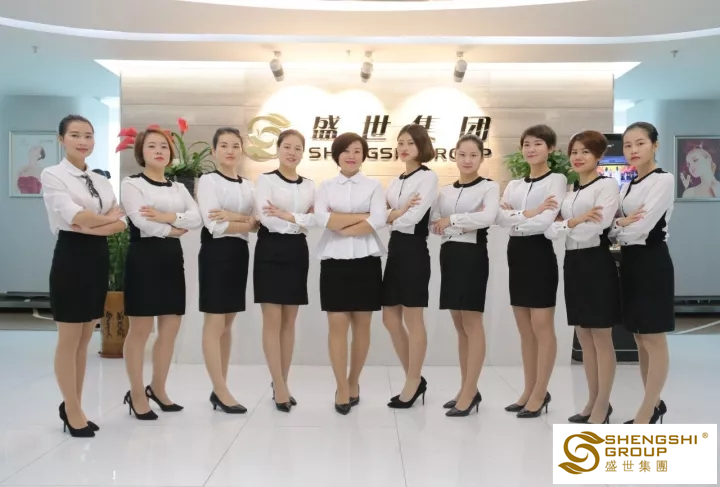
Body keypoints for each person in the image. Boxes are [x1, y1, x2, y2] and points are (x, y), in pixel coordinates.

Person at [41, 114, 127, 437]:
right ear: (61, 139)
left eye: (88, 135)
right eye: (75, 135)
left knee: (85, 338)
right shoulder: (53, 175)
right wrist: (98, 220)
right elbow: (76, 217)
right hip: (71, 257)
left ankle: (73, 405)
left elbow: (120, 222)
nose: (82, 141)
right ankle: (72, 409)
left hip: (96, 258)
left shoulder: (100, 180)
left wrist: (92, 224)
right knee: (69, 337)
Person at [120, 127, 202, 420]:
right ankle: (136, 393)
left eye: (164, 146)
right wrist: (174, 229)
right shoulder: (131, 184)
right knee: (141, 329)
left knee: (170, 328)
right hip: (143, 259)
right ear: (141, 152)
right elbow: (142, 223)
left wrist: (166, 218)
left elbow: (196, 217)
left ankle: (158, 388)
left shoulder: (178, 187)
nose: (159, 151)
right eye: (152, 146)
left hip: (170, 260)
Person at [545, 130, 621, 425]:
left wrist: (566, 225)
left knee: (600, 336)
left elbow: (597, 226)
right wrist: (574, 221)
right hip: (573, 262)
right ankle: (591, 400)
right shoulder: (570, 192)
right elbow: (550, 230)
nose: (577, 157)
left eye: (585, 151)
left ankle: (603, 404)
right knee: (583, 335)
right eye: (574, 151)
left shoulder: (607, 186)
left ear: (599, 156)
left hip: (596, 262)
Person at [496, 124, 567, 418]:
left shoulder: (557, 180)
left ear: (550, 148)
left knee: (542, 326)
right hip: (516, 253)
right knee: (525, 330)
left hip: (539, 254)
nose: (531, 149)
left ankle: (540, 392)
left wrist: (519, 219)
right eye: (526, 144)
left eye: (538, 143)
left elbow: (546, 222)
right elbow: (499, 218)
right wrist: (530, 213)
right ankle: (528, 390)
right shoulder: (514, 185)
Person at [313, 132, 386, 415]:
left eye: (357, 150)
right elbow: (323, 219)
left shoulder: (374, 185)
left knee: (362, 326)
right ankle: (341, 386)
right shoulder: (326, 186)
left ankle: (354, 381)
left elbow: (378, 219)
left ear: (364, 155)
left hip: (366, 260)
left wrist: (341, 223)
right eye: (346, 150)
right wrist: (362, 217)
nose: (351, 155)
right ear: (337, 155)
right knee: (337, 326)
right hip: (334, 260)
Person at [609, 122, 674, 424]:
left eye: (640, 143)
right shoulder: (628, 184)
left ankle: (646, 411)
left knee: (653, 337)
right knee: (639, 338)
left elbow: (643, 228)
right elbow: (614, 226)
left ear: (655, 145)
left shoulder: (663, 180)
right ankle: (654, 403)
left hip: (652, 261)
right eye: (627, 145)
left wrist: (620, 228)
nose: (633, 150)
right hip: (630, 262)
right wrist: (621, 226)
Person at [429, 134, 499, 417]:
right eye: (462, 154)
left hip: (472, 257)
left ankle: (470, 391)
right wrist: (464, 222)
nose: (467, 160)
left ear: (481, 157)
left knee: (472, 322)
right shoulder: (445, 191)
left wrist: (452, 220)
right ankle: (466, 387)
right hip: (449, 255)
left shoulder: (489, 187)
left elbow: (488, 218)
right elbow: (434, 223)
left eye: (473, 155)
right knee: (459, 325)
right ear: (454, 156)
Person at [253, 129, 315, 413]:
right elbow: (267, 219)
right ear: (278, 149)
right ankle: (278, 385)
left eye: (298, 148)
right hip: (270, 250)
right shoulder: (265, 180)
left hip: (297, 252)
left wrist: (288, 217)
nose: (292, 152)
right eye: (287, 147)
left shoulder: (310, 185)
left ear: (303, 153)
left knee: (290, 320)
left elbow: (314, 219)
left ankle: (283, 382)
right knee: (272, 321)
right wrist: (297, 221)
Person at [196, 127, 257, 414]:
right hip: (216, 254)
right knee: (215, 322)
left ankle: (220, 386)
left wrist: (236, 218)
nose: (230, 150)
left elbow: (258, 223)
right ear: (214, 151)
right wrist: (245, 222)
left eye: (235, 145)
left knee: (228, 323)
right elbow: (214, 226)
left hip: (239, 253)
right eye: (223, 145)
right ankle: (221, 390)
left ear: (242, 150)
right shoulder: (208, 181)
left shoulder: (249, 185)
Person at [383, 124, 438, 409]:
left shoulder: (428, 177)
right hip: (394, 250)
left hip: (415, 250)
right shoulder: (396, 181)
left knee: (413, 318)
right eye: (401, 142)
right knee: (389, 317)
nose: (404, 148)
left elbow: (413, 219)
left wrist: (394, 215)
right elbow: (380, 214)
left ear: (422, 146)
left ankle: (412, 381)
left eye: (410, 143)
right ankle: (414, 378)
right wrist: (397, 213)